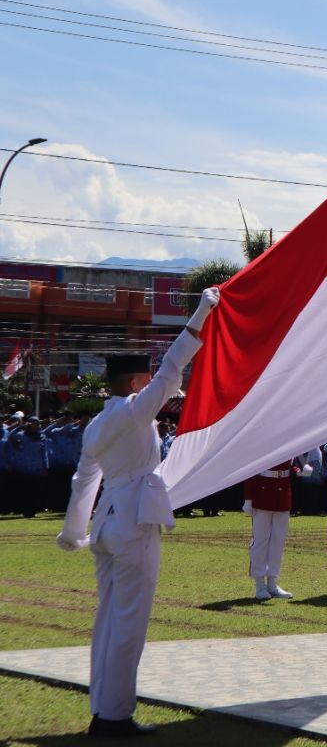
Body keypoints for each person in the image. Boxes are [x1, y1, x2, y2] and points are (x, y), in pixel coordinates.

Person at [56, 286, 218, 738]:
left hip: (107, 525)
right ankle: (115, 717)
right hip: (133, 524)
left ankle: (102, 708)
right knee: (128, 624)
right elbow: (172, 368)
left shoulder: (96, 424)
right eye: (142, 381)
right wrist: (202, 311)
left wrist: (73, 532)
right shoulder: (132, 413)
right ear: (132, 384)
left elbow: (83, 481)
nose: (150, 385)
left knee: (108, 620)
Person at [244, 458, 297, 600]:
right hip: (263, 495)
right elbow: (252, 471)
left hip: (283, 496)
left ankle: (273, 583)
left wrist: (298, 471)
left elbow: (288, 468)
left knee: (277, 543)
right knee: (260, 542)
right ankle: (260, 585)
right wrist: (248, 499)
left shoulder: (290, 444)